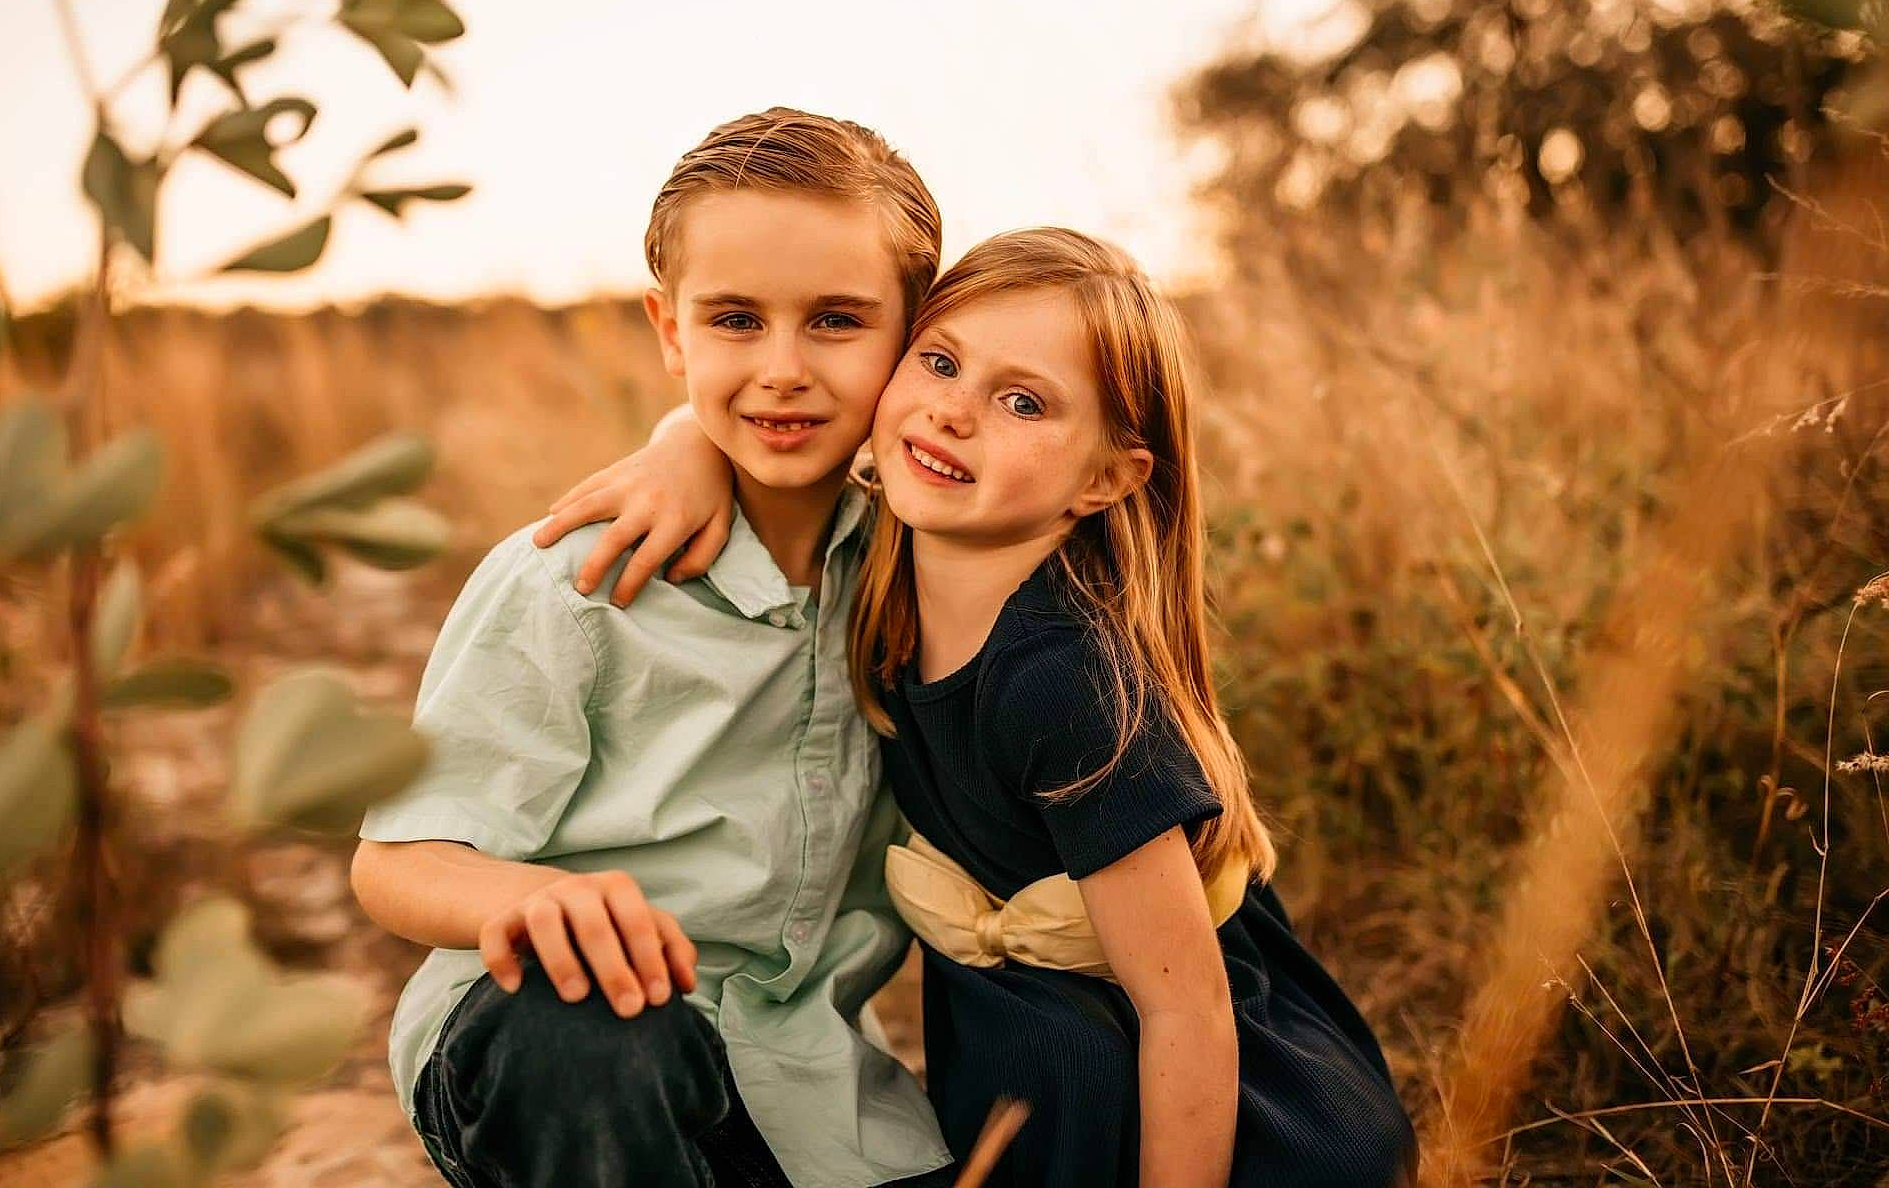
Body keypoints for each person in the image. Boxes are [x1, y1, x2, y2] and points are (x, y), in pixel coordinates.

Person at [538, 229, 1420, 1186]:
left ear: (1106, 478)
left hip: (1208, 1115)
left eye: (1022, 401)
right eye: (943, 361)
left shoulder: (1063, 680)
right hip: (1034, 1054)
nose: (953, 414)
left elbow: (1188, 1012)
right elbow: (752, 435)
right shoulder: (877, 550)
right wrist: (683, 447)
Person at [349, 107, 956, 1188]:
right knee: (591, 1029)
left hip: (814, 1092)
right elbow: (397, 860)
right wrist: (526, 901)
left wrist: (687, 438)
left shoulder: (923, 567)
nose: (781, 368)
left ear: (913, 333)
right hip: (568, 1056)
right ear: (669, 330)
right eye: (732, 319)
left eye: (835, 321)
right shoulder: (573, 582)